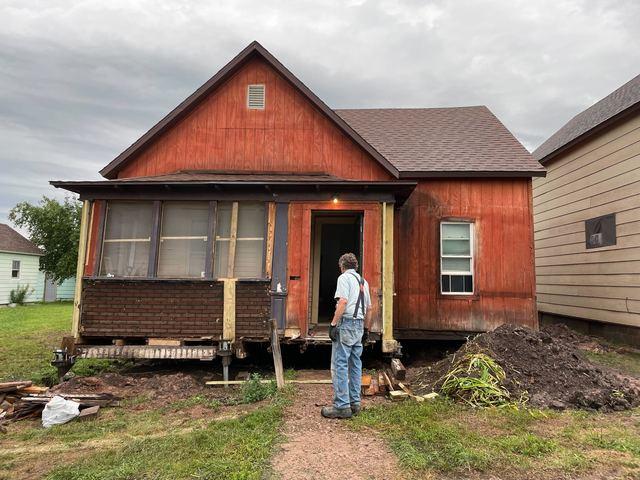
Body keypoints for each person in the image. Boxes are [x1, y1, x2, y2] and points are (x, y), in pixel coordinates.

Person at [321, 252, 372, 419]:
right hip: (359, 326)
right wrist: (366, 329)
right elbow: (369, 309)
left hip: (347, 323)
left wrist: (333, 324)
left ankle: (342, 406)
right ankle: (355, 404)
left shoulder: (343, 278)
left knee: (340, 364)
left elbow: (342, 302)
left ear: (342, 266)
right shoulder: (364, 282)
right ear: (355, 267)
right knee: (356, 364)